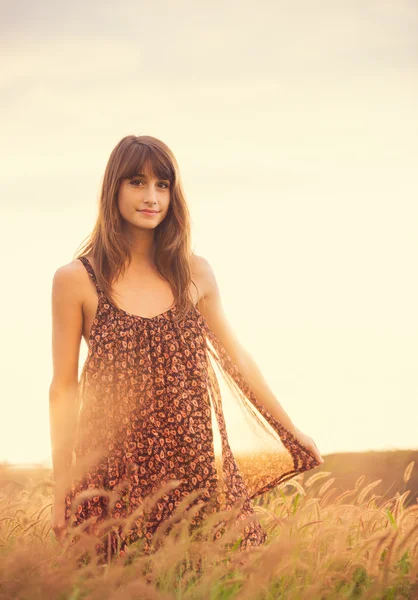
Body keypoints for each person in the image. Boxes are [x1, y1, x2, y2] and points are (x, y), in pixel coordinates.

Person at [49, 134, 323, 562]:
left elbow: (239, 359)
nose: (152, 196)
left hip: (189, 460)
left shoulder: (195, 273)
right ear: (113, 189)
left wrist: (290, 429)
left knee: (198, 574)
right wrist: (62, 488)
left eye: (163, 184)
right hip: (111, 470)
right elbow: (63, 389)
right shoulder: (76, 279)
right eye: (137, 182)